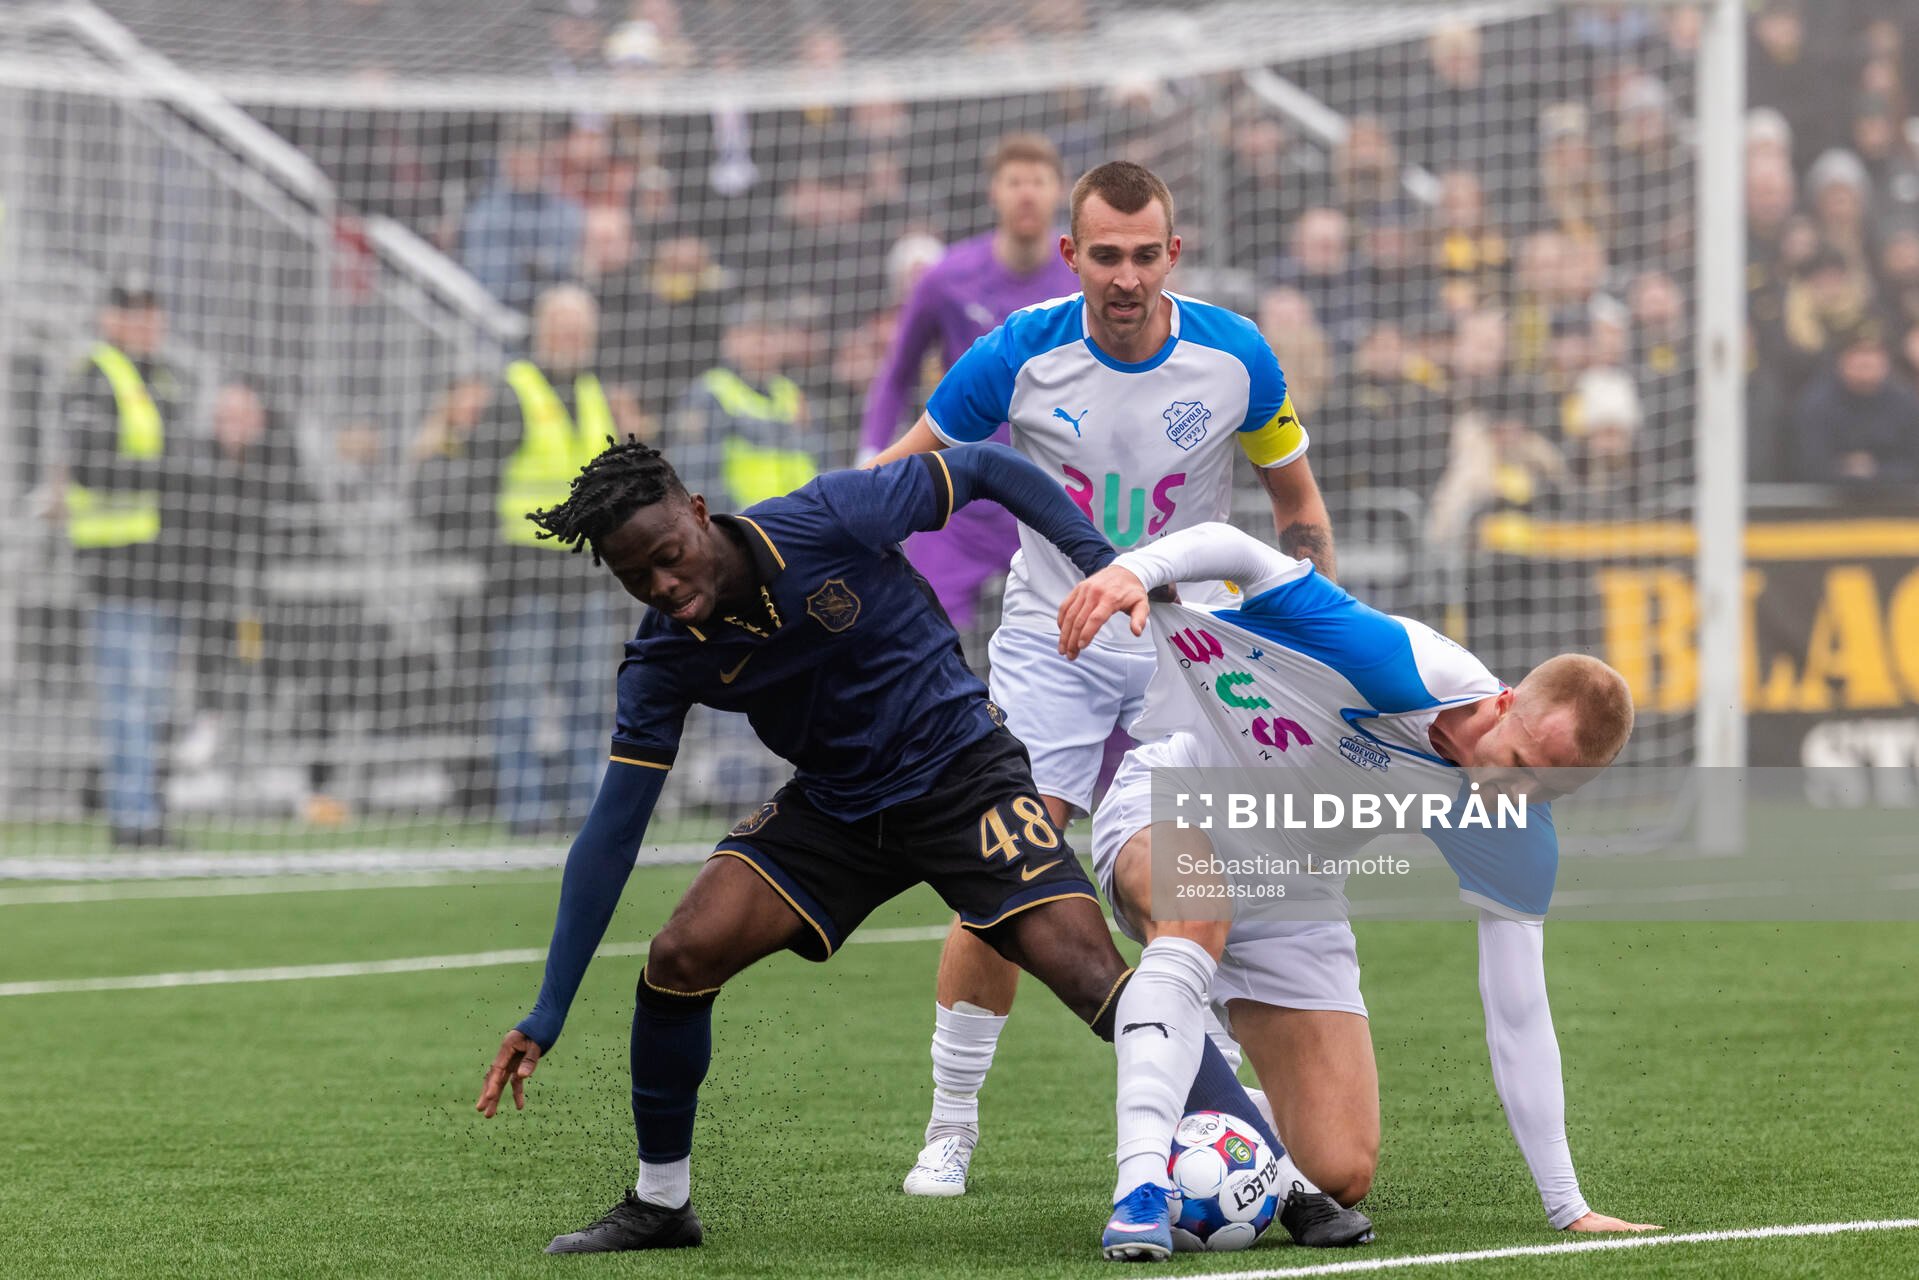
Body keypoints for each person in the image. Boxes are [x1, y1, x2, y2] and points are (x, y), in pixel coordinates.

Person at [472, 440, 1291, 1256]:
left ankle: (1283, 1181)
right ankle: (660, 1205)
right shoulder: (661, 657)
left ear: (696, 513)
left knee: (1090, 974)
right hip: (835, 810)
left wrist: (1105, 564)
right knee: (682, 953)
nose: (663, 586)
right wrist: (549, 1008)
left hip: (963, 774)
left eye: (669, 557)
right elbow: (613, 833)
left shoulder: (826, 517)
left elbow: (980, 468)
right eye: (635, 577)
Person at [868, 161, 1344, 1218]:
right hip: (1054, 638)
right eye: (1105, 256)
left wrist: (1304, 635)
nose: (1124, 276)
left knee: (1189, 874)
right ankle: (951, 1123)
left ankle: (1213, 1093)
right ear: (1071, 255)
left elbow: (1296, 504)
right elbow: (902, 474)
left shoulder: (1236, 355)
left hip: (1190, 643)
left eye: (1144, 255)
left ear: (1169, 255)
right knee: (1007, 864)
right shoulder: (1016, 353)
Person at [1055, 520, 1661, 1246]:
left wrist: (1568, 1204)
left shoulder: (1514, 827)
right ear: (1502, 703)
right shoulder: (1391, 660)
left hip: (1296, 885)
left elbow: (1519, 1014)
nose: (1515, 790)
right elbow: (1237, 548)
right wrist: (1134, 569)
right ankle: (1142, 1186)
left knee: (1338, 1168)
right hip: (1178, 792)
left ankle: (1203, 1097)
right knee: (1197, 910)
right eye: (1520, 759)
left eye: (1546, 790)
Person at [410, 285, 631, 835]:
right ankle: (525, 808)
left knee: (586, 700)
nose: (572, 338)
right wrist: (493, 555)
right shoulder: (514, 392)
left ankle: (583, 804)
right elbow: (479, 479)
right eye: (563, 326)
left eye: (581, 327)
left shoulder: (595, 391)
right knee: (519, 699)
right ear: (542, 328)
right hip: (524, 574)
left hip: (585, 573)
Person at [856, 133, 1079, 634]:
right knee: (922, 633)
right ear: (993, 192)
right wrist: (870, 451)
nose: (1026, 193)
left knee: (1077, 641)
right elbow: (897, 374)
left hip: (1053, 494)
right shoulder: (946, 278)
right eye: (1014, 181)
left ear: (1059, 192)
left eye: (1038, 182)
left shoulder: (1082, 279)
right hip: (956, 497)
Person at [62, 280, 191, 848]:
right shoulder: (95, 375)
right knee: (129, 695)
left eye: (152, 313)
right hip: (114, 562)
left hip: (162, 564)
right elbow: (89, 466)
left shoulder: (160, 378)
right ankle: (131, 818)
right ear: (110, 317)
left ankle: (148, 812)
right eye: (134, 313)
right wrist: (166, 477)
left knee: (154, 697)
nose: (146, 324)